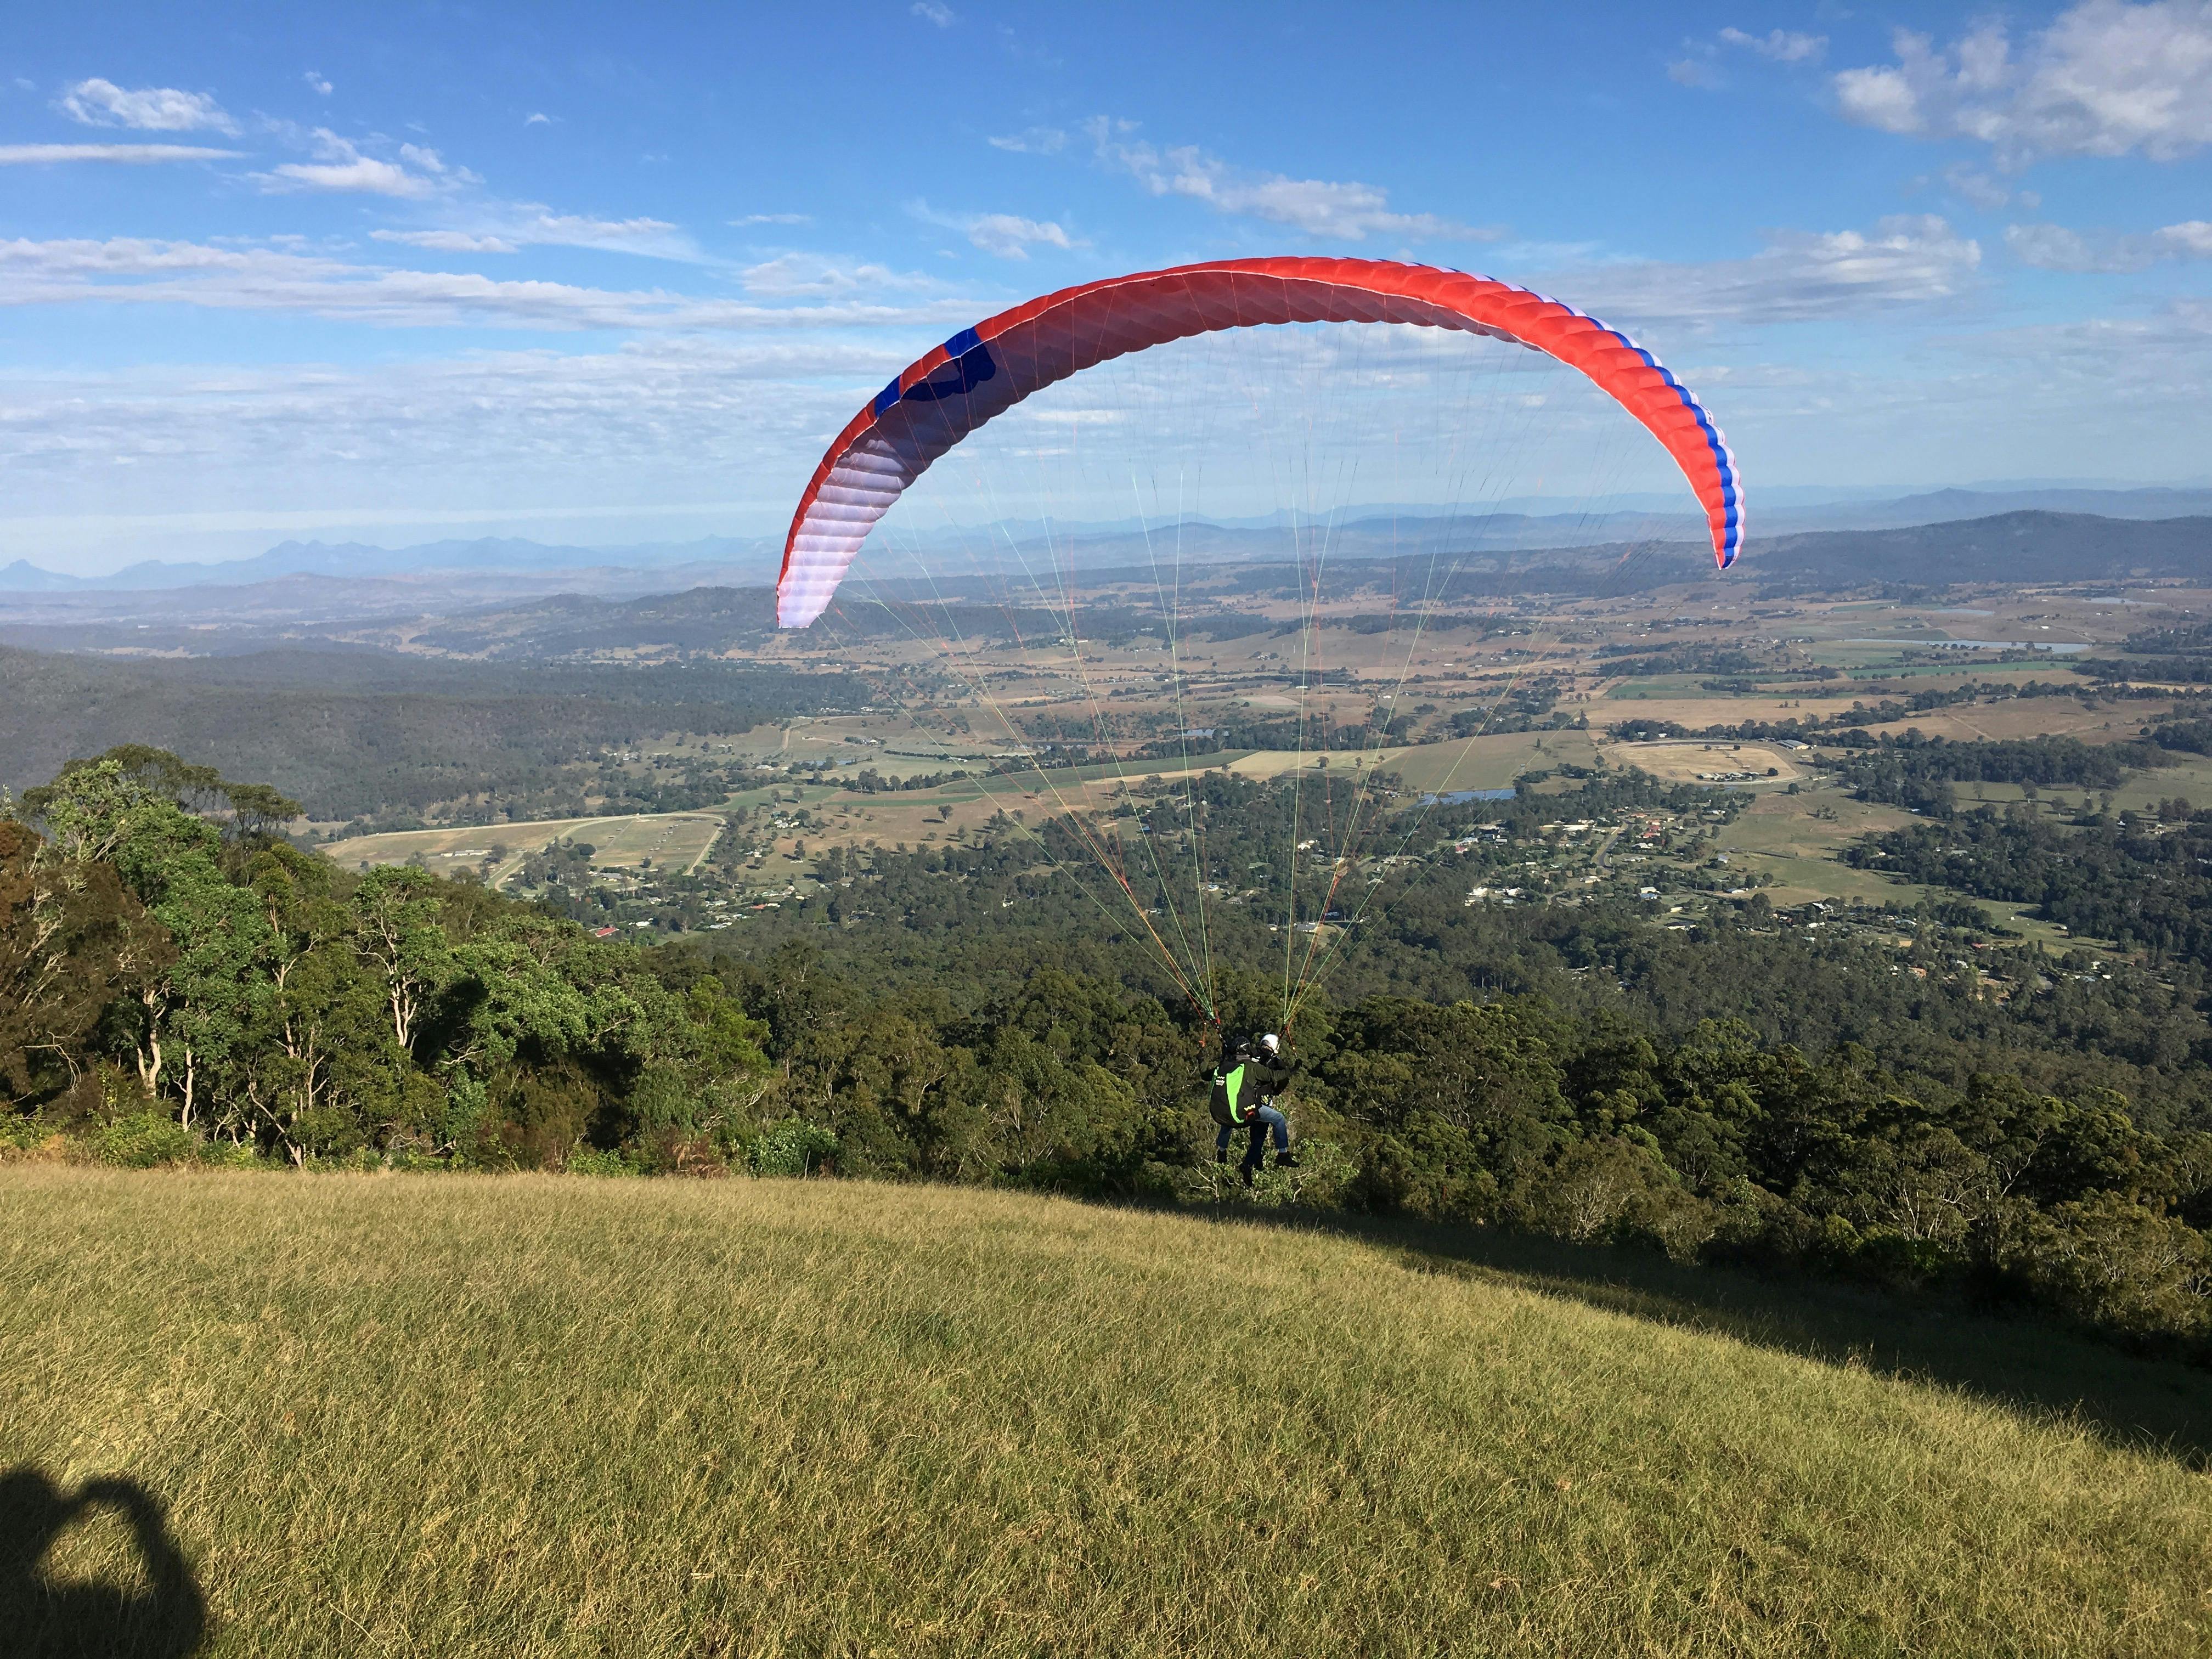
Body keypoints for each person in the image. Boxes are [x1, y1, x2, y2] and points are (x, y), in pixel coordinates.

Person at [1209, 1032, 1297, 1183]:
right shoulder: (1276, 1062)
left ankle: (1224, 1151)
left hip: (1242, 1100)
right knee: (1260, 1136)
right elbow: (1281, 1077)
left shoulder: (1250, 1053)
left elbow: (1236, 1058)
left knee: (1229, 1116)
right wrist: (1277, 1089)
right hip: (1259, 1103)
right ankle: (1255, 1161)